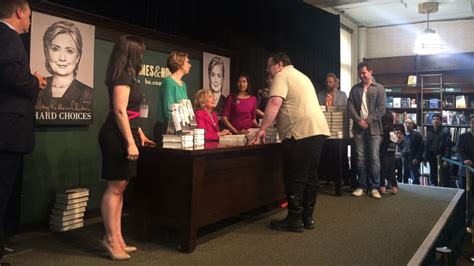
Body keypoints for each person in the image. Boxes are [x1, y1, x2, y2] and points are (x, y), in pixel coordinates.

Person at [252, 52, 330, 232]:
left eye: (269, 66)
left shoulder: (282, 75)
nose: (267, 71)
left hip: (299, 132)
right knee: (310, 175)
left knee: (294, 176)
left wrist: (262, 129)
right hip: (317, 129)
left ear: (279, 64)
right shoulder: (301, 76)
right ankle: (307, 218)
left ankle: (294, 219)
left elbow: (274, 103)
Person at [98, 35, 155, 261]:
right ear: (132, 53)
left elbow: (132, 115)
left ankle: (118, 237)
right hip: (115, 136)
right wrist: (130, 142)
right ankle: (110, 240)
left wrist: (140, 134)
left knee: (120, 187)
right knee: (114, 188)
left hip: (127, 133)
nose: (142, 55)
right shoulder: (122, 76)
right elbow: (120, 111)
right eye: (140, 52)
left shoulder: (130, 76)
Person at [0, 0, 47, 260]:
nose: (29, 21)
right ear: (19, 12)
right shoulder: (7, 37)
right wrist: (34, 81)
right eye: (29, 16)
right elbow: (10, 75)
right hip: (7, 133)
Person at [347, 62, 386, 199]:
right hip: (358, 129)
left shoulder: (379, 88)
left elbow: (381, 109)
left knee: (374, 158)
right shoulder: (355, 89)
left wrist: (367, 121)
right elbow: (350, 106)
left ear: (370, 72)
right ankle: (361, 186)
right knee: (359, 158)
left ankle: (374, 187)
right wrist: (359, 120)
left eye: (364, 72)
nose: (362, 75)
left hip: (374, 130)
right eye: (360, 73)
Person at [36, 20, 92, 113]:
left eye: (69, 51)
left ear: (78, 57)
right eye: (55, 49)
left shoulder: (88, 94)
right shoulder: (36, 87)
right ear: (47, 52)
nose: (62, 58)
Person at [153, 51, 191, 142]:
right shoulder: (168, 82)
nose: (190, 65)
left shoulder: (183, 84)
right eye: (187, 62)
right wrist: (185, 128)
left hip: (179, 128)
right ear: (179, 63)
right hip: (166, 129)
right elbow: (169, 111)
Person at [423, 113, 452, 186]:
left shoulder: (445, 132)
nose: (435, 121)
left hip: (442, 158)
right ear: (432, 121)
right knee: (433, 178)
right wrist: (425, 158)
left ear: (441, 121)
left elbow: (448, 147)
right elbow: (427, 146)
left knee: (443, 178)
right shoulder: (429, 132)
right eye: (434, 119)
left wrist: (446, 159)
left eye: (438, 119)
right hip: (432, 158)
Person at [379, 111, 399, 194]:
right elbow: (395, 140)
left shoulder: (385, 128)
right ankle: (394, 185)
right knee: (391, 167)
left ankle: (383, 185)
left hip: (384, 148)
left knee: (384, 167)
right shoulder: (392, 128)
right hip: (391, 149)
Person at [401, 118, 424, 185]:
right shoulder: (402, 135)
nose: (407, 124)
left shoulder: (417, 134)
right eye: (406, 123)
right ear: (403, 124)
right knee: (404, 179)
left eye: (409, 123)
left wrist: (417, 158)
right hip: (404, 161)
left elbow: (421, 148)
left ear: (413, 125)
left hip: (414, 160)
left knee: (415, 179)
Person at [456, 115, 474, 185]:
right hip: (465, 170)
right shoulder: (462, 137)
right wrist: (465, 160)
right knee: (464, 193)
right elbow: (458, 151)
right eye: (472, 122)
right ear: (469, 124)